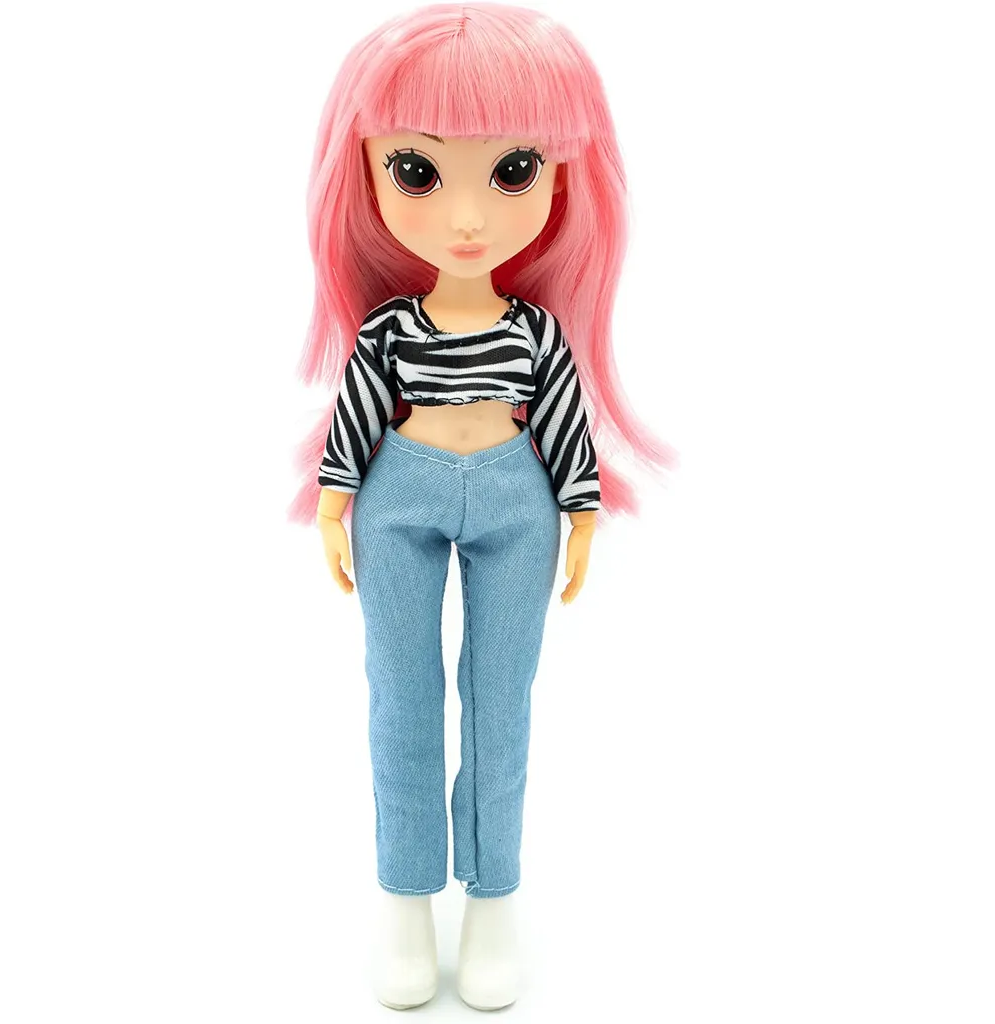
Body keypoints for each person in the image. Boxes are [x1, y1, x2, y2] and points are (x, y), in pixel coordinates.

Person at [289, 2, 677, 1010]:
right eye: (416, 170)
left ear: (562, 175)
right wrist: (333, 503)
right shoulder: (388, 330)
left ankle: (493, 899)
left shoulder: (536, 332)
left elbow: (564, 423)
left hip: (516, 496)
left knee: (502, 705)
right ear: (364, 171)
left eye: (512, 170)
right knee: (401, 700)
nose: (467, 217)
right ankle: (406, 900)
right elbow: (357, 418)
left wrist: (581, 513)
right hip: (397, 493)